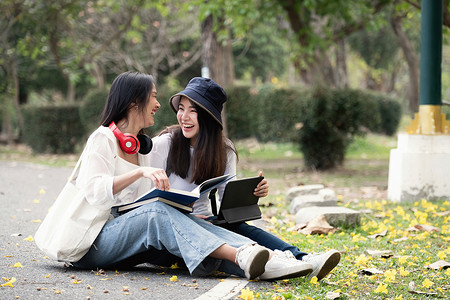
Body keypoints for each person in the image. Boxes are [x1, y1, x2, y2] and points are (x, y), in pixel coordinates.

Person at [69, 71, 291, 281]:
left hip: (137, 244)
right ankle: (245, 254)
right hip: (91, 244)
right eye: (154, 97)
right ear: (133, 102)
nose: (158, 104)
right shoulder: (103, 138)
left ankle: (273, 262)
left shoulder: (142, 147)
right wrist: (140, 173)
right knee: (159, 213)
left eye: (192, 110)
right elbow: (95, 193)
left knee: (200, 241)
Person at [149, 77, 341, 281]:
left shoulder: (223, 151)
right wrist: (187, 220)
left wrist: (252, 193)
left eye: (193, 111)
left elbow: (228, 205)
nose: (183, 116)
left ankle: (303, 258)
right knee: (223, 242)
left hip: (210, 223)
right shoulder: (164, 144)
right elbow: (146, 204)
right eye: (181, 108)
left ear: (208, 116)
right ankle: (278, 262)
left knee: (240, 228)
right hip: (174, 231)